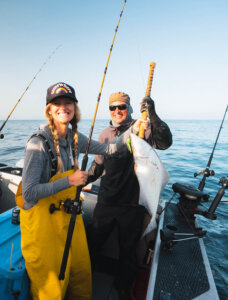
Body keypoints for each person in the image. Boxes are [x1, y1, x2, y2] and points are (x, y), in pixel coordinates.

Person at [16, 83, 132, 300]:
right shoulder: (38, 144)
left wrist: (134, 132)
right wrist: (69, 180)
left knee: (80, 272)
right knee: (50, 283)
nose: (63, 107)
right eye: (56, 104)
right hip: (43, 225)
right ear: (49, 110)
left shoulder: (75, 138)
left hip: (69, 218)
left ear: (74, 107)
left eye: (68, 103)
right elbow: (30, 193)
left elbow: (110, 149)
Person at [87, 92, 172, 299]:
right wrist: (80, 181)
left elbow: (165, 142)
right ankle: (85, 277)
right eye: (113, 108)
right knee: (93, 244)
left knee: (128, 251)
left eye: (122, 107)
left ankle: (124, 287)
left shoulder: (143, 128)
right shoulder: (105, 134)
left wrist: (152, 114)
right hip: (106, 202)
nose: (117, 111)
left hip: (133, 205)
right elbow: (97, 166)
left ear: (130, 108)